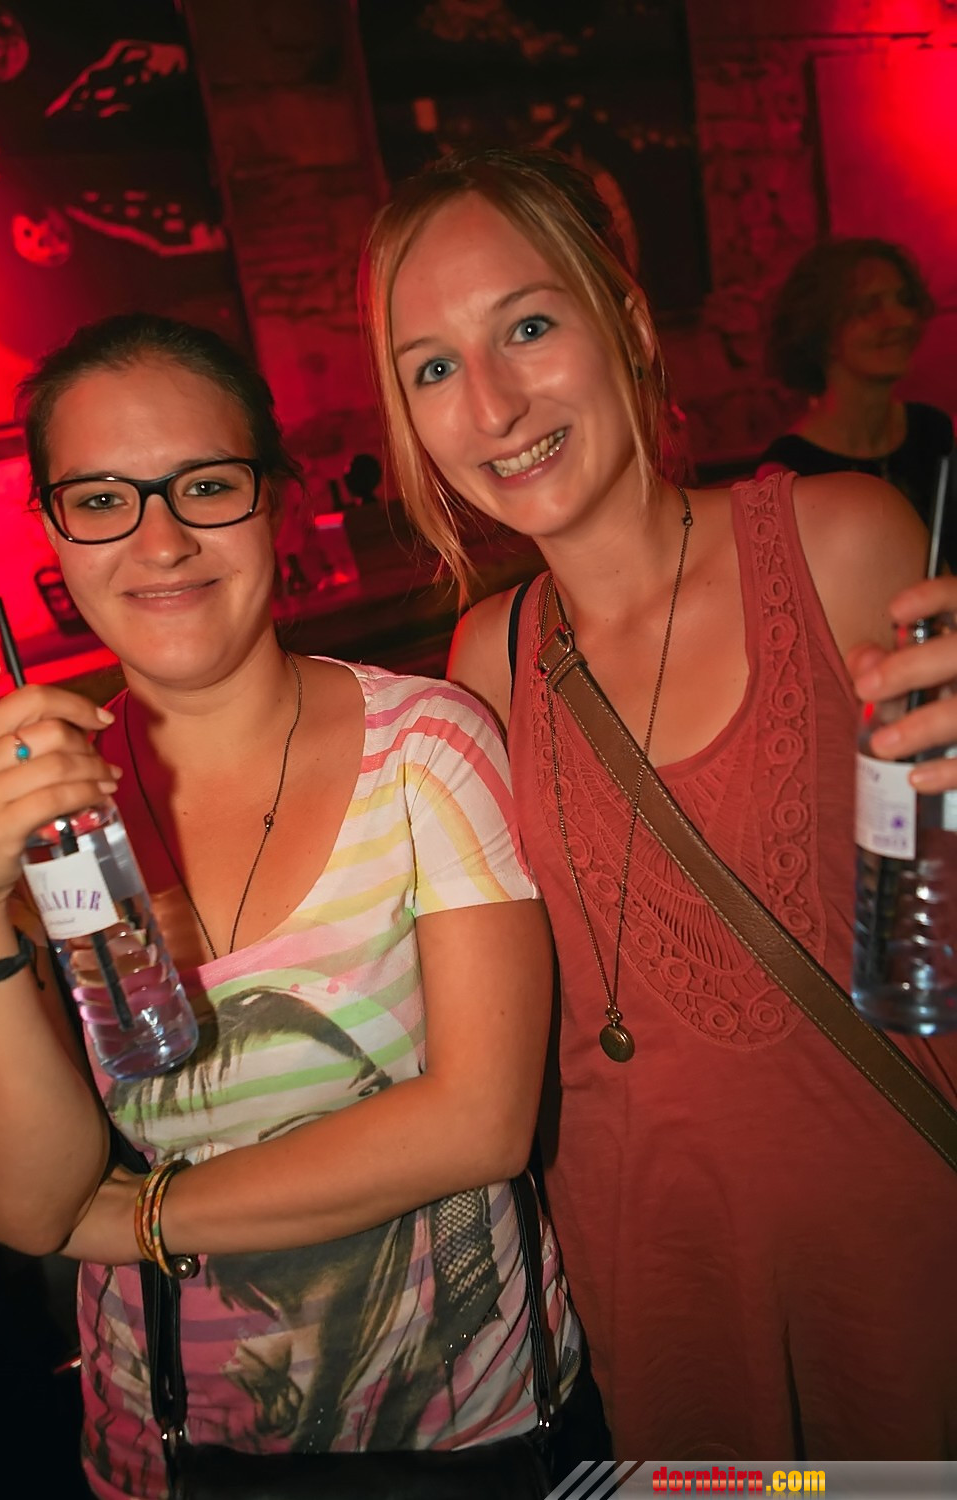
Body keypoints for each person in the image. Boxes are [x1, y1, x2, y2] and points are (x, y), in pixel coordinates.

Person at [363, 146, 957, 1460]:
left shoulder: (839, 542)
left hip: (903, 1275)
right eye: (433, 368)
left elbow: (927, 927)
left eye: (527, 326)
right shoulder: (484, 662)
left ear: (625, 323)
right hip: (667, 1301)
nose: (494, 403)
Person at [0, 313, 607, 1500]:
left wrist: (136, 1219)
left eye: (206, 486)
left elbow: (479, 1123)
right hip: (169, 1456)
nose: (160, 541)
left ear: (278, 502)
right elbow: (27, 1201)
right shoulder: (30, 820)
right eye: (100, 500)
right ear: (52, 530)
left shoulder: (425, 744)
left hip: (468, 1444)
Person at [757, 237, 954, 563]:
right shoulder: (787, 471)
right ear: (820, 332)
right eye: (868, 308)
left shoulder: (933, 431)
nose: (901, 320)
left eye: (905, 301)